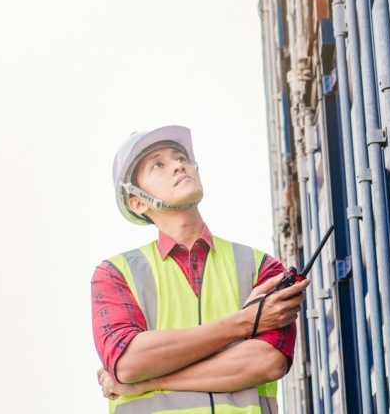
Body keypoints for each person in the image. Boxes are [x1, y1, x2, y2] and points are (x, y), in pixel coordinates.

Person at [91, 125, 308, 413]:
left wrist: (146, 383)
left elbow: (267, 362)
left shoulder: (262, 267)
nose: (179, 165)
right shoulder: (115, 274)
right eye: (159, 164)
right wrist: (245, 322)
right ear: (138, 202)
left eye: (181, 157)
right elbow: (128, 363)